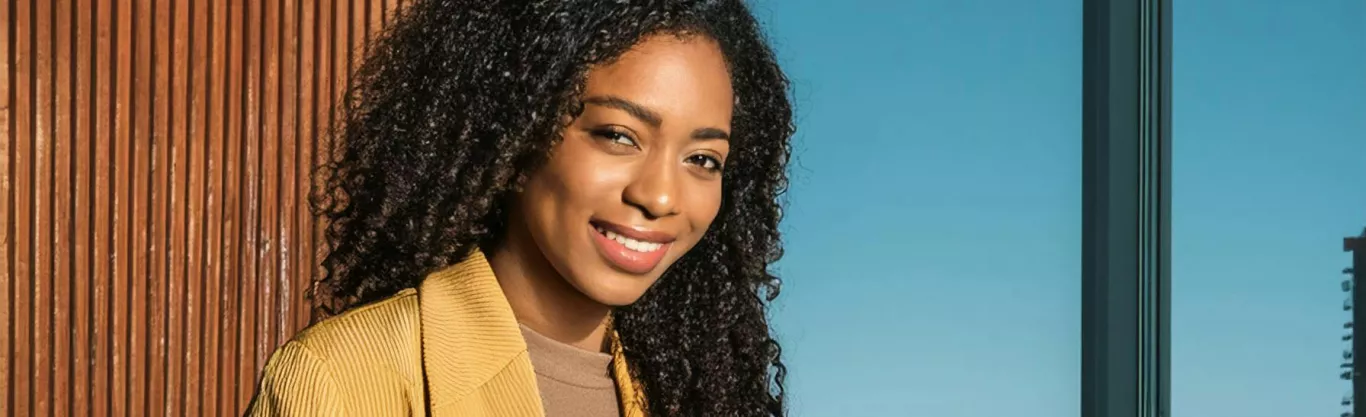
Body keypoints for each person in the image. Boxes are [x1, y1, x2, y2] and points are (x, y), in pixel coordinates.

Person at [246, 0, 794, 416]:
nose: (661, 196)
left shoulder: (688, 393)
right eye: (618, 136)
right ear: (514, 131)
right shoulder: (343, 379)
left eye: (702, 158)